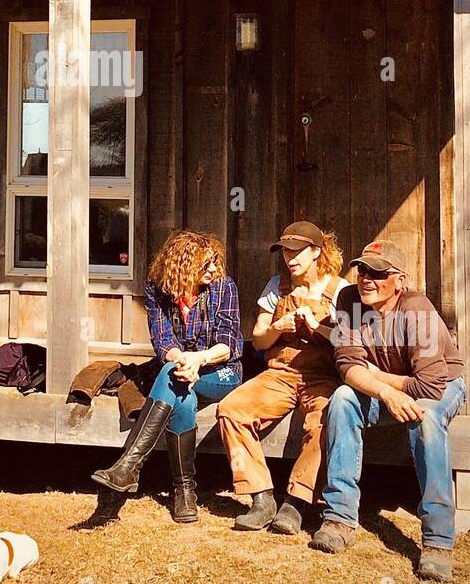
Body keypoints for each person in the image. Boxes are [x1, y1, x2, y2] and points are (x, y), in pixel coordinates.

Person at [311, 238, 466, 583]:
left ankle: (438, 541)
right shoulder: (349, 301)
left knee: (425, 418)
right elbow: (348, 367)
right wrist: (383, 389)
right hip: (390, 386)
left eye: (378, 273)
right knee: (342, 401)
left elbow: (428, 386)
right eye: (362, 270)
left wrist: (378, 377)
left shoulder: (417, 309)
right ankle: (339, 518)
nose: (367, 278)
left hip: (441, 385)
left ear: (400, 280)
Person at [90, 231, 242, 522]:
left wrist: (199, 359)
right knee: (180, 392)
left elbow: (228, 343)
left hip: (221, 371)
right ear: (183, 266)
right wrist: (183, 360)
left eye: (215, 263)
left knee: (172, 376)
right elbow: (163, 342)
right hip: (181, 369)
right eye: (205, 264)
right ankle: (185, 492)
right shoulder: (157, 289)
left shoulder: (224, 287)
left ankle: (129, 466)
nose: (213, 269)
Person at [217, 221, 347, 534]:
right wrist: (278, 327)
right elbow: (259, 340)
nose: (289, 258)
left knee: (326, 419)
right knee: (231, 409)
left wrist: (316, 327)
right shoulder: (277, 286)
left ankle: (297, 502)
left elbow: (351, 341)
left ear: (316, 252)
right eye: (285, 251)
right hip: (280, 373)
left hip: (323, 376)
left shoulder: (340, 289)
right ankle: (261, 496)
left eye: (297, 251)